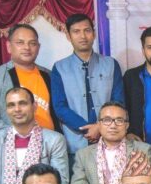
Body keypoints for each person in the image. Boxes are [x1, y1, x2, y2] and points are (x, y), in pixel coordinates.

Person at [69, 101, 151, 184]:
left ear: (127, 125)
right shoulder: (84, 154)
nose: (113, 125)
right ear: (99, 124)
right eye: (107, 120)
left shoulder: (142, 150)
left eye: (119, 120)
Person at [51, 13, 125, 155]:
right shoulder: (60, 68)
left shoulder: (110, 64)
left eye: (87, 30)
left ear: (94, 33)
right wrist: (86, 129)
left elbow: (119, 102)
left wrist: (100, 126)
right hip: (75, 142)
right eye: (76, 31)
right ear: (68, 36)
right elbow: (60, 107)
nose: (83, 36)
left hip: (109, 138)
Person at [0, 23, 59, 132]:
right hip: (15, 141)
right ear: (9, 46)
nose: (27, 47)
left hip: (52, 139)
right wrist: (15, 135)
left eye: (32, 43)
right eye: (20, 43)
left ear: (38, 47)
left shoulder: (49, 74)